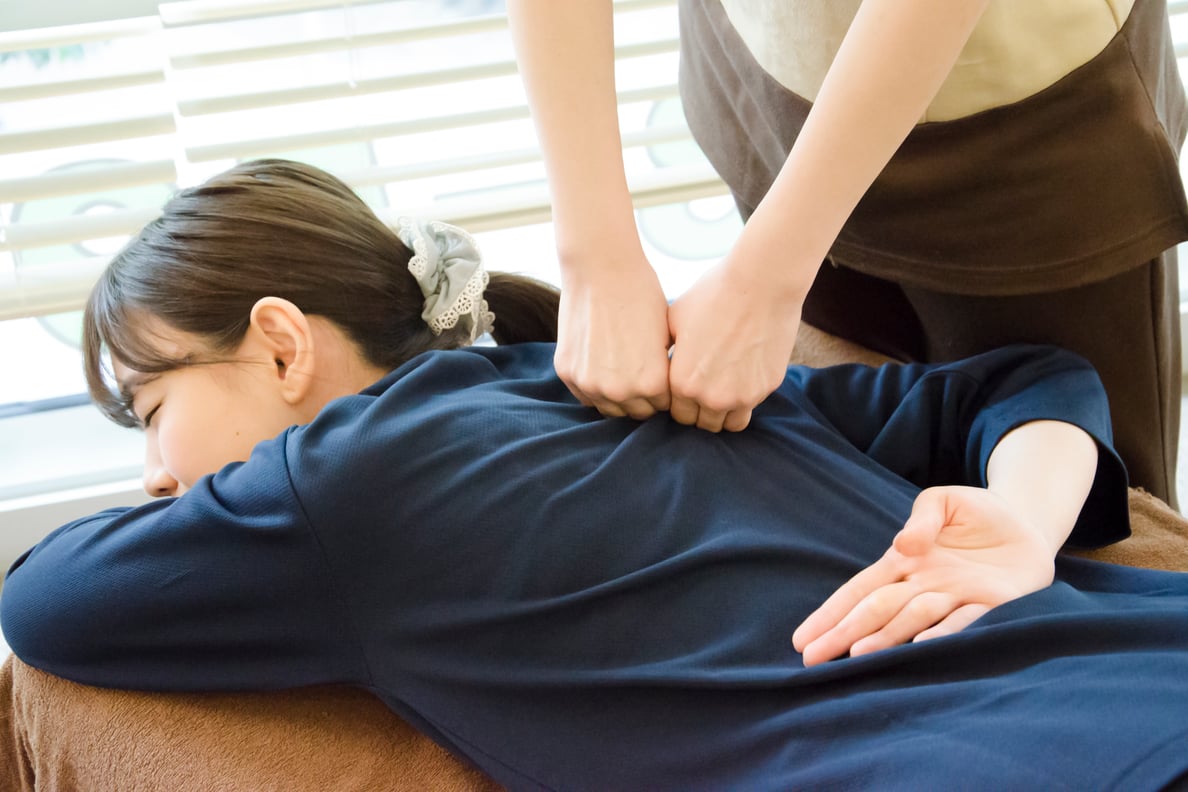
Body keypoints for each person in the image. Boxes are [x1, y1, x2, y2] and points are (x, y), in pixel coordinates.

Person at [3, 159, 1188, 790]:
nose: (156, 476)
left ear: (280, 342)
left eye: (152, 410)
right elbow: (1018, 385)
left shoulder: (329, 488)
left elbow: (44, 599)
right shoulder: (632, 373)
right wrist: (1025, 525)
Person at [505, 0, 1188, 510]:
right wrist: (594, 256)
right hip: (765, 67)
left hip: (1017, 117)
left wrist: (765, 279)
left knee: (1085, 515)